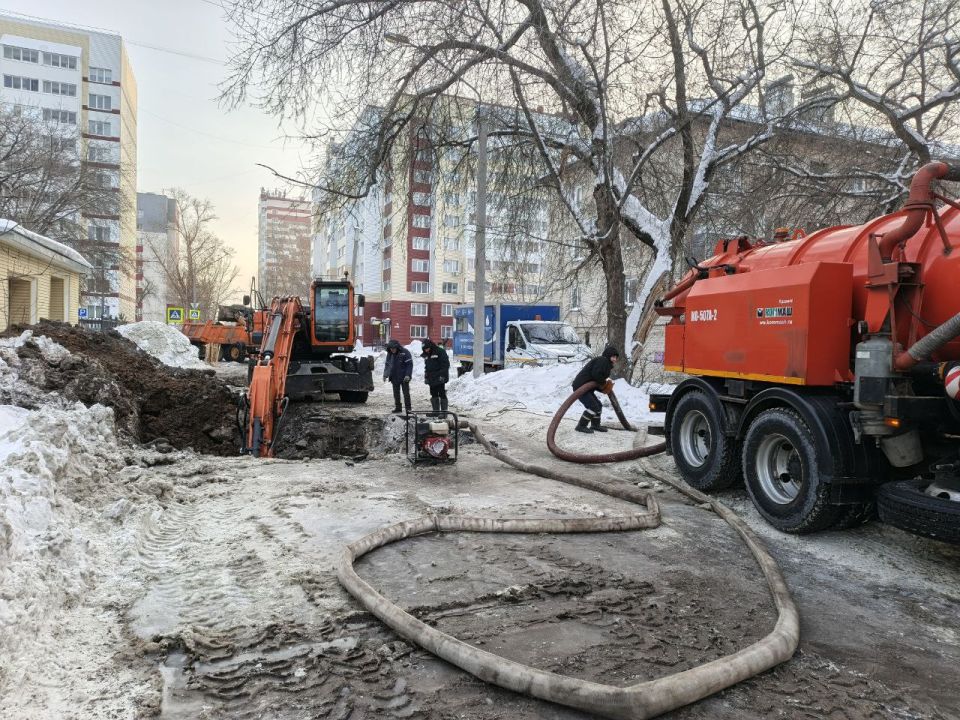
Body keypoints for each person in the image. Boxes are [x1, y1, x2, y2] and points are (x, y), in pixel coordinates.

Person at [571, 345, 619, 433]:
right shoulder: (603, 360)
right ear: (608, 356)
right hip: (581, 387)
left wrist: (602, 388)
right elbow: (596, 375)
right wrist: (604, 383)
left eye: (616, 357)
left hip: (586, 388)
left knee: (598, 406)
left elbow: (596, 380)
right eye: (613, 357)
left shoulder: (605, 364)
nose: (615, 359)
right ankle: (581, 426)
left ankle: (595, 425)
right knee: (593, 406)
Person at [421, 338, 450, 415]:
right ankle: (436, 412)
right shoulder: (427, 354)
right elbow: (427, 367)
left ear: (430, 346)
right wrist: (426, 376)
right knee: (433, 393)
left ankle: (444, 413)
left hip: (440, 376)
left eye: (427, 348)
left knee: (441, 393)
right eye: (424, 349)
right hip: (431, 377)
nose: (426, 350)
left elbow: (445, 365)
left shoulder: (440, 351)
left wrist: (442, 376)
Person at [383, 339, 413, 414]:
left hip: (404, 377)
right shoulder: (390, 354)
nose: (392, 350)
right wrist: (385, 374)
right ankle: (398, 407)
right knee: (396, 393)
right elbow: (387, 364)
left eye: (393, 348)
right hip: (394, 376)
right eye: (391, 349)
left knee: (406, 394)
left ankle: (408, 409)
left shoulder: (405, 352)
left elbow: (409, 365)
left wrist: (408, 375)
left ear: (397, 347)